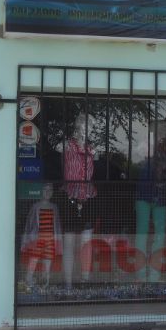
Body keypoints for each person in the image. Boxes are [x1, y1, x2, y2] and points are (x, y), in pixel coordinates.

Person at [60, 112, 97, 289]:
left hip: (88, 199)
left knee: (86, 242)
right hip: (70, 198)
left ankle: (84, 281)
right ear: (79, 125)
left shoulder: (92, 149)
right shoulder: (67, 146)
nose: (89, 130)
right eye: (87, 125)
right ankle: (67, 283)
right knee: (69, 243)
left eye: (92, 127)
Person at [135, 120, 166, 282]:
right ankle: (141, 274)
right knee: (142, 235)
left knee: (159, 236)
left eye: (165, 132)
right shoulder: (145, 147)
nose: (164, 135)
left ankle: (154, 275)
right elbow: (140, 165)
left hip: (160, 196)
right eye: (161, 131)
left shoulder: (164, 151)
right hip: (144, 194)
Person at [21, 183, 62, 289]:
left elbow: (57, 225)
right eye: (45, 189)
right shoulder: (35, 206)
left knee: (48, 261)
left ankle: (46, 282)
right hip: (37, 238)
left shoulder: (54, 207)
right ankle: (28, 279)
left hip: (50, 239)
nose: (48, 192)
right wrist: (27, 238)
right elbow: (29, 223)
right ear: (41, 191)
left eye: (50, 190)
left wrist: (58, 240)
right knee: (33, 259)